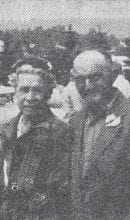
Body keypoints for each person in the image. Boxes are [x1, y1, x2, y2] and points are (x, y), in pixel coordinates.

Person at [69, 50, 130, 220]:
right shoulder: (75, 120)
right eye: (81, 80)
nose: (88, 85)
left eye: (96, 77)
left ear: (112, 75)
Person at [0, 56, 72, 219]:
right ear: (15, 92)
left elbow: (59, 191)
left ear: (47, 94)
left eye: (37, 91)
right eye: (24, 90)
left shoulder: (61, 133)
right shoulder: (6, 129)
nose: (30, 97)